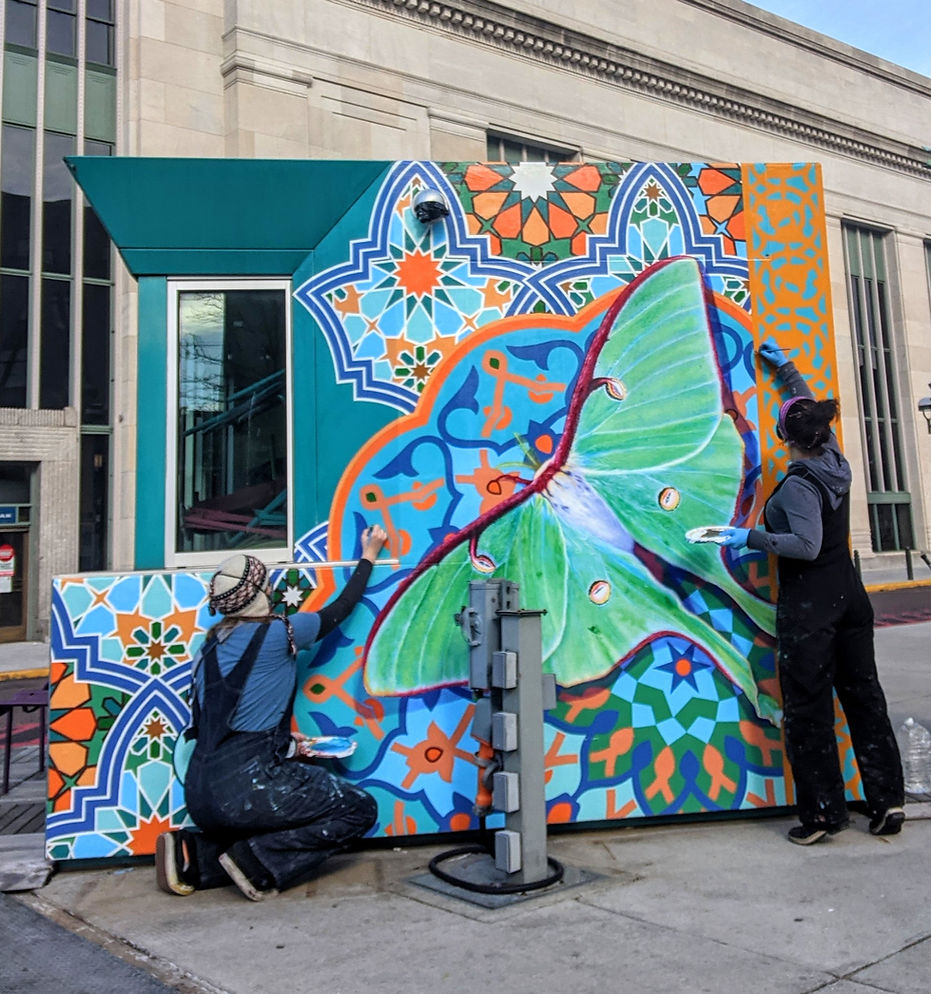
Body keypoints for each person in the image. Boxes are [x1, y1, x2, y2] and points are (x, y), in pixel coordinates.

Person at [719, 339, 904, 845]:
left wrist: (747, 537)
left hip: (813, 605)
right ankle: (887, 802)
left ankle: (823, 816)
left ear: (784, 437)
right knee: (864, 697)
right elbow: (804, 404)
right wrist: (787, 369)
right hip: (850, 594)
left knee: (808, 708)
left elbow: (805, 545)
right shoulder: (835, 457)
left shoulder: (801, 483)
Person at [155, 525, 388, 899]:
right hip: (246, 787)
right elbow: (340, 609)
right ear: (261, 592)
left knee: (268, 812)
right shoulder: (281, 632)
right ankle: (255, 866)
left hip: (199, 790)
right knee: (358, 809)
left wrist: (284, 742)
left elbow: (229, 719)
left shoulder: (209, 645)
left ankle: (194, 854)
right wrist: (369, 555)